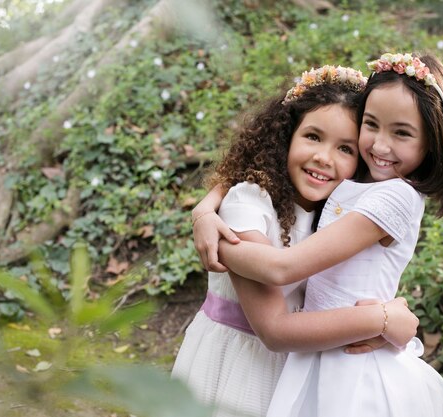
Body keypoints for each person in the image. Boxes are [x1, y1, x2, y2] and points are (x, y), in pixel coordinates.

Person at [214, 52, 443, 416]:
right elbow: (256, 180)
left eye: (401, 133)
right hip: (319, 352)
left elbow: (283, 269)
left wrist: (222, 246)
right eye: (371, 125)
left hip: (352, 364)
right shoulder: (351, 181)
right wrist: (206, 209)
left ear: (431, 141)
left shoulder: (395, 197)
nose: (380, 146)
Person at [171, 65, 419, 417]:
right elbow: (274, 327)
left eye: (345, 148)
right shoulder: (249, 201)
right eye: (313, 137)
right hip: (237, 368)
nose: (324, 157)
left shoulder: (336, 214)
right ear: (285, 136)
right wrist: (381, 319)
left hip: (300, 370)